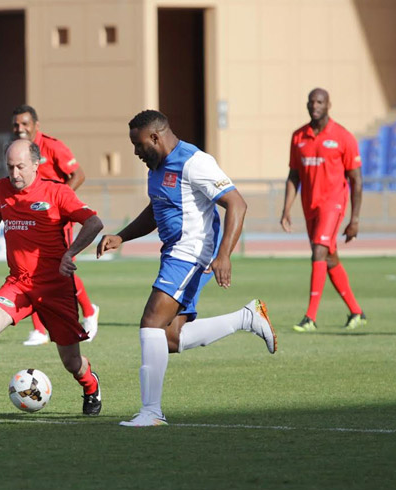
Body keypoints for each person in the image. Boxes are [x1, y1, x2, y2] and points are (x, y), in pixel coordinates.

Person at [96, 110, 276, 427]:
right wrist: (122, 236)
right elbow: (155, 210)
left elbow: (237, 203)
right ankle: (246, 318)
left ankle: (151, 412)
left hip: (190, 253)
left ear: (155, 137)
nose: (135, 152)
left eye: (138, 144)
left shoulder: (195, 162)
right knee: (169, 338)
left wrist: (224, 255)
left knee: (151, 322)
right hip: (174, 254)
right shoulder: (156, 168)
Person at [0, 139, 104, 415]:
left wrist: (71, 253)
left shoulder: (57, 192)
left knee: (72, 362)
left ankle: (91, 386)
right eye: (10, 167)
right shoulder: (2, 188)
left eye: (20, 167)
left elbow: (94, 223)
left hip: (55, 287)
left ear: (36, 164)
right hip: (19, 283)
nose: (14, 174)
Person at [10, 104, 100, 346]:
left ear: (36, 125)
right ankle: (40, 330)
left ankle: (88, 311)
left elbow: (78, 174)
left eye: (25, 123)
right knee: (29, 269)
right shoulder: (16, 151)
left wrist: (57, 204)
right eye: (16, 124)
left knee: (59, 268)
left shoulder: (52, 146)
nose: (20, 128)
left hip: (53, 219)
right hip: (29, 218)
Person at [280, 88, 366, 331]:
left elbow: (357, 180)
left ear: (329, 105)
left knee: (319, 251)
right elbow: (294, 175)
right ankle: (357, 312)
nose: (315, 105)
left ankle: (310, 317)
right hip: (310, 206)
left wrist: (354, 219)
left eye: (320, 102)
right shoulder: (298, 136)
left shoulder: (343, 137)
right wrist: (286, 209)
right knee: (329, 258)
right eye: (311, 101)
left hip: (333, 203)